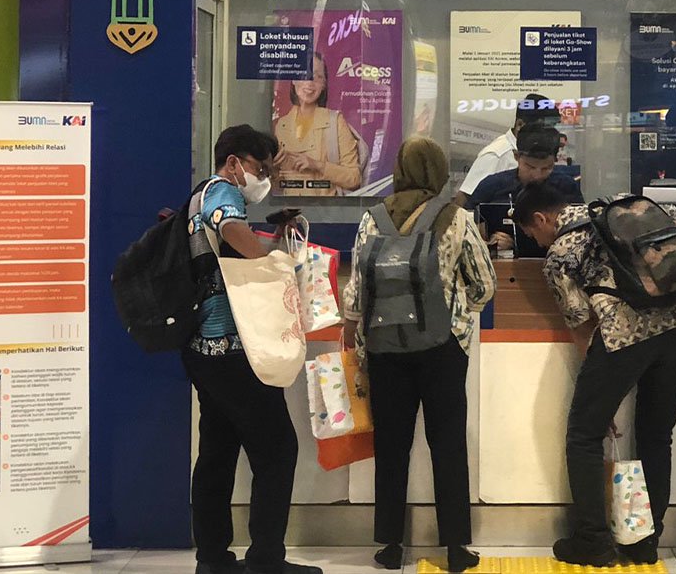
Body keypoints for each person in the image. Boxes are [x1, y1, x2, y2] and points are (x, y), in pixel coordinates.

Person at [515, 183, 676, 568]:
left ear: (541, 218)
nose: (535, 241)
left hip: (626, 333)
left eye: (531, 233)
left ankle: (593, 540)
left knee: (584, 434)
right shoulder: (621, 208)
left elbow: (580, 323)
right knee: (656, 435)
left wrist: (598, 394)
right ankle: (646, 542)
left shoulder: (560, 253)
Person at [343, 137, 497, 573]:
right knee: (447, 444)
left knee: (391, 445)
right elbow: (484, 285)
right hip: (442, 348)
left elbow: (357, 291)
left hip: (384, 346)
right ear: (439, 171)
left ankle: (391, 545)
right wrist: (456, 310)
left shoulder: (372, 218)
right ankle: (456, 548)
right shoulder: (456, 218)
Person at [183, 125, 321, 574]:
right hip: (233, 347)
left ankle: (212, 558)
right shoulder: (223, 192)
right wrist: (272, 264)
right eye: (260, 169)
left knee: (217, 451)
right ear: (233, 163)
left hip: (203, 347)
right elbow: (231, 228)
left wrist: (270, 241)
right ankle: (265, 559)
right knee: (278, 448)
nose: (263, 178)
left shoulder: (198, 195)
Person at [465, 124, 584, 253]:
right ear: (516, 156)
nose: (537, 175)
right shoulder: (492, 186)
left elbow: (580, 228)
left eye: (546, 168)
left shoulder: (566, 186)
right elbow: (464, 225)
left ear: (555, 160)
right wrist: (487, 242)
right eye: (530, 167)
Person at [274, 51, 363, 197]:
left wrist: (317, 165)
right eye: (304, 75)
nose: (310, 83)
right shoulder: (282, 125)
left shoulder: (335, 122)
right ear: (293, 80)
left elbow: (354, 178)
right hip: (290, 208)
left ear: (324, 85)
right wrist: (274, 170)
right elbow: (277, 184)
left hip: (327, 209)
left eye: (318, 77)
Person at [455, 94, 561, 205]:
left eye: (552, 128)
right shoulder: (497, 154)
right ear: (520, 124)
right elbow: (463, 200)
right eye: (542, 128)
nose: (547, 134)